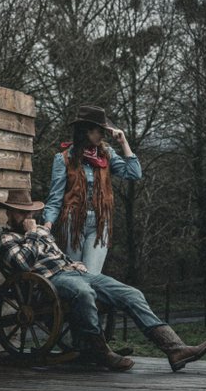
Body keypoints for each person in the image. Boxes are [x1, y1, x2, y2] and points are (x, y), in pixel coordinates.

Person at [0, 188, 206, 372]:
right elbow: (23, 266)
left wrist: (72, 263)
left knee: (131, 293)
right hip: (48, 283)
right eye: (20, 213)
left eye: (28, 212)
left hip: (74, 273)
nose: (27, 217)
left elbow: (57, 255)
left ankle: (174, 348)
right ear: (10, 214)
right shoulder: (6, 239)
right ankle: (100, 351)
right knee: (84, 293)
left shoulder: (39, 231)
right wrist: (34, 234)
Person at [42, 104, 142, 274]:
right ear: (86, 131)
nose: (103, 135)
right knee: (74, 275)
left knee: (91, 275)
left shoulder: (107, 154)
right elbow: (55, 197)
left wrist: (123, 142)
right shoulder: (64, 159)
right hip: (72, 222)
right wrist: (47, 226)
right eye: (99, 130)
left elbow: (134, 173)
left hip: (100, 222)